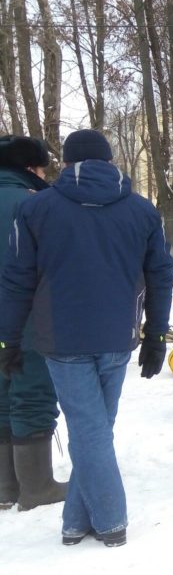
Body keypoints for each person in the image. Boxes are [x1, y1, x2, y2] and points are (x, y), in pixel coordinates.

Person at [0, 129, 173, 547]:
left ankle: (111, 521)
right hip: (118, 334)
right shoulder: (141, 211)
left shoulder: (37, 208)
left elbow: (18, 280)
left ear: (67, 161)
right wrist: (153, 335)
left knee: (90, 429)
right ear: (109, 160)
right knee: (94, 428)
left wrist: (9, 340)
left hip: (61, 339)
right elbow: (161, 276)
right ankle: (76, 521)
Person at [0, 135, 65, 511]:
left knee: (2, 395)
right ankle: (37, 485)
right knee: (32, 391)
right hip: (27, 316)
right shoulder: (35, 204)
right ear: (29, 168)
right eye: (42, 168)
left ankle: (7, 486)